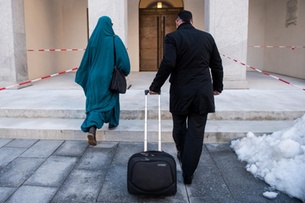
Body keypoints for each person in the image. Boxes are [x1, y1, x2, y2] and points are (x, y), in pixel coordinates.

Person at [149, 10, 223, 184]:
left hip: (181, 91)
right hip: (202, 91)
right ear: (192, 21)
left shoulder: (172, 38)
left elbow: (168, 62)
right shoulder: (207, 37)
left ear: (177, 22)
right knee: (196, 132)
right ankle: (188, 172)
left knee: (180, 126)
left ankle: (182, 154)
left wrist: (155, 87)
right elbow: (217, 64)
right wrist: (217, 87)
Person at [75, 16, 130, 146]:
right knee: (111, 98)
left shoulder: (93, 41)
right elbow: (124, 62)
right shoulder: (114, 39)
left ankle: (98, 126)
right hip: (108, 77)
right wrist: (124, 71)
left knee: (95, 103)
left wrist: (85, 76)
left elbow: (85, 62)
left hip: (93, 78)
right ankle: (98, 126)